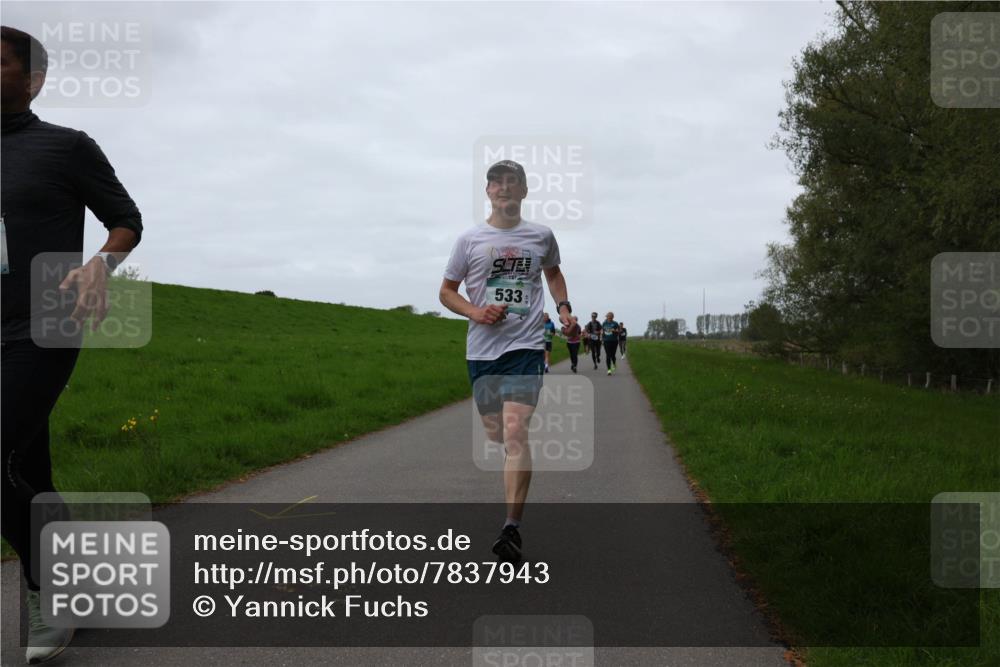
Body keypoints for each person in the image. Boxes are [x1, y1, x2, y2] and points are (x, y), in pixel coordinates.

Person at [1, 26, 142, 664]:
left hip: (46, 320)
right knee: (26, 470)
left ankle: (50, 588)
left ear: (33, 80)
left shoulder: (66, 147)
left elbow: (126, 219)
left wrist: (99, 265)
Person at [440, 159, 571, 564]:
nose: (504, 187)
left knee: (515, 432)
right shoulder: (469, 240)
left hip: (526, 347)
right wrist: (476, 312)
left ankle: (511, 528)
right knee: (497, 433)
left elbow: (553, 275)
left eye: (512, 182)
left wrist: (563, 308)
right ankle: (512, 500)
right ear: (488, 191)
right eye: (496, 182)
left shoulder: (541, 235)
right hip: (482, 350)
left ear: (524, 191)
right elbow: (446, 291)